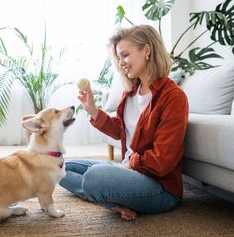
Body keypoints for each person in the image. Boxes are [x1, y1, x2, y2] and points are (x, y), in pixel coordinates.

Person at [59, 24, 189, 221]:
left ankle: (104, 192)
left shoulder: (173, 97)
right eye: (119, 58)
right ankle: (115, 204)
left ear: (146, 50)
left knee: (96, 176)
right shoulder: (131, 91)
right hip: (129, 170)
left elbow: (162, 161)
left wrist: (128, 165)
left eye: (125, 55)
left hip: (159, 188)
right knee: (59, 167)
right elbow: (122, 130)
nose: (121, 63)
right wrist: (93, 110)